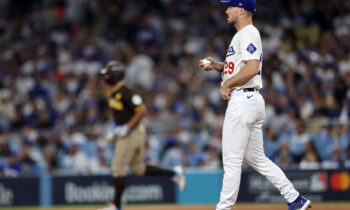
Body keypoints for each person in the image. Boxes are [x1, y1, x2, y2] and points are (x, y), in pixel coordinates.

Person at [198, 1, 311, 210]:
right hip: (250, 100)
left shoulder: (249, 32)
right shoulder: (241, 35)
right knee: (257, 159)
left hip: (243, 100)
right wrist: (218, 67)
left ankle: (223, 208)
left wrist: (228, 84)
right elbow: (239, 68)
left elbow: (252, 69)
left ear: (241, 9)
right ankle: (295, 199)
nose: (226, 10)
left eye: (229, 7)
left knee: (231, 161)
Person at [98, 60, 186, 210]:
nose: (104, 79)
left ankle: (116, 205)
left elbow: (142, 111)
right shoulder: (113, 92)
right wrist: (115, 127)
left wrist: (126, 127)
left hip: (132, 133)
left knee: (118, 167)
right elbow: (120, 114)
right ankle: (174, 173)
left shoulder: (126, 92)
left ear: (113, 76)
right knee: (138, 169)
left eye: (107, 75)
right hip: (129, 132)